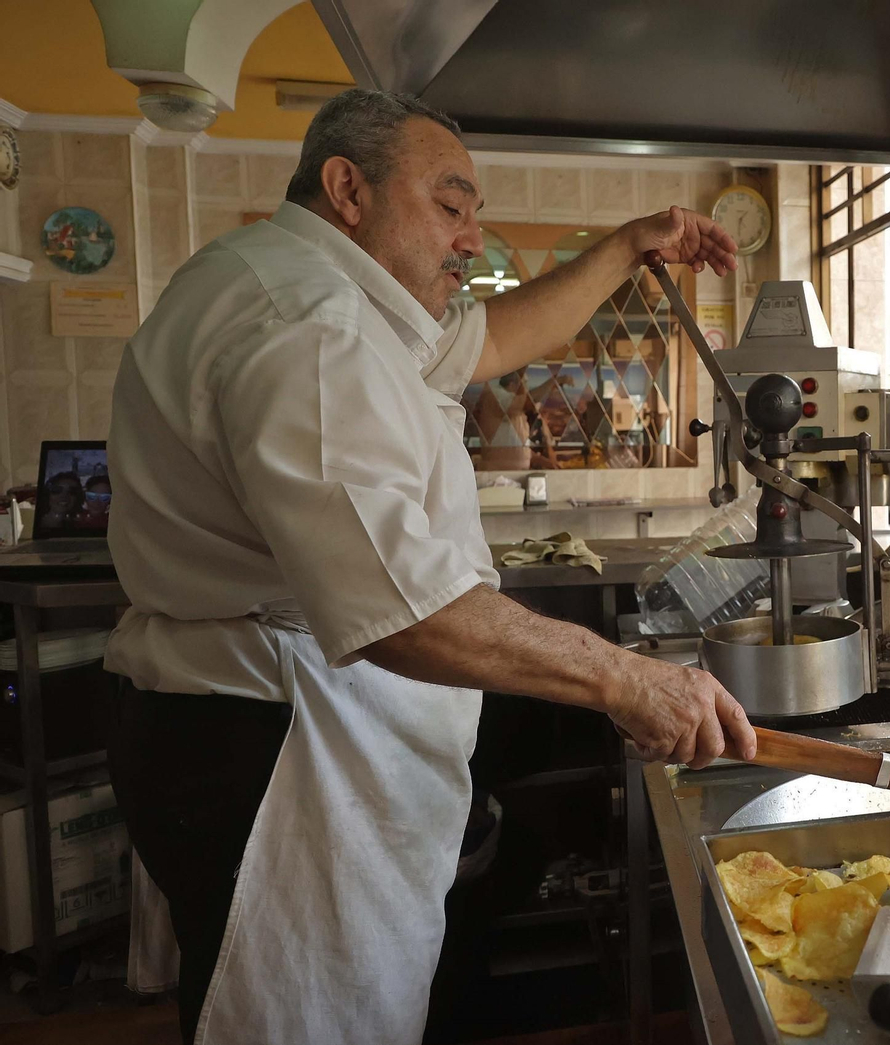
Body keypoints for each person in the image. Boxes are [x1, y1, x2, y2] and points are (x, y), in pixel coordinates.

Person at [103, 88, 756, 1045]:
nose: (471, 239)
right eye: (450, 207)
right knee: (307, 1020)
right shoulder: (312, 329)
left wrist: (626, 247)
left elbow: (493, 340)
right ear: (347, 189)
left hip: (248, 716)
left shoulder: (312, 286)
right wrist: (627, 679)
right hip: (273, 747)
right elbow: (405, 611)